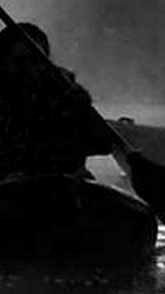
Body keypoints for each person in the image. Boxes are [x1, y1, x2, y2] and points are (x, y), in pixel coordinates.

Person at [0, 21, 115, 179]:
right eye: (20, 62)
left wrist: (82, 111)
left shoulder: (62, 90)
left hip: (64, 186)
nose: (30, 69)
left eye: (36, 60)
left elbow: (103, 143)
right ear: (3, 64)